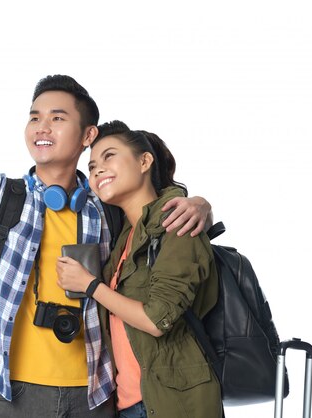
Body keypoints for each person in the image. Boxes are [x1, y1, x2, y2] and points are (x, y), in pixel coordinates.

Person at [0, 37, 213, 417]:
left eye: (58, 118)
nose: (42, 126)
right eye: (34, 117)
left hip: (95, 393)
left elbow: (150, 207)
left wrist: (196, 202)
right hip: (16, 392)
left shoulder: (104, 209)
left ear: (87, 135)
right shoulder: (3, 200)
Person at [57, 120, 223, 418]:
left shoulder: (177, 223)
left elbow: (156, 321)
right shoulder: (124, 235)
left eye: (109, 156)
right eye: (92, 166)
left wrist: (91, 285)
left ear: (145, 161)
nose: (97, 171)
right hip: (128, 403)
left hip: (174, 405)